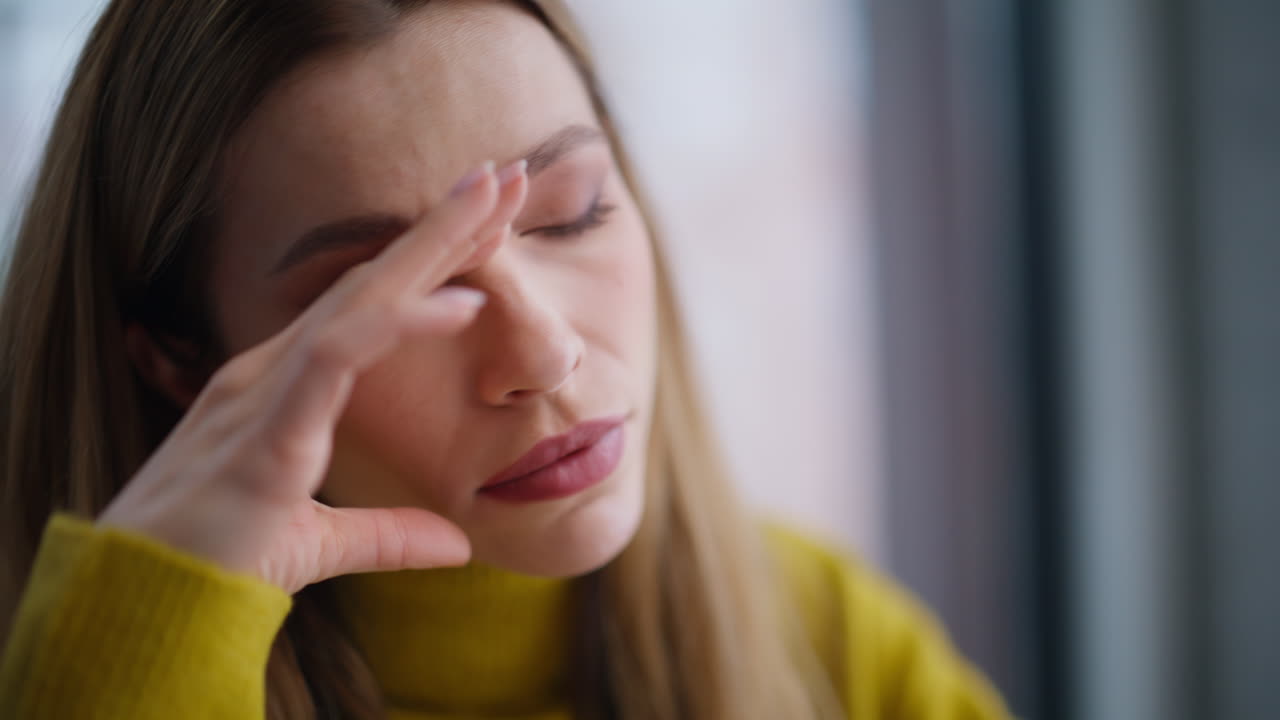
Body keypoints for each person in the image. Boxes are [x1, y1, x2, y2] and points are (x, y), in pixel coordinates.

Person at [0, 1, 1011, 718]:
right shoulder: (69, 681)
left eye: (573, 215)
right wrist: (137, 649)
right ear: (181, 363)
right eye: (393, 289)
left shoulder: (837, 647)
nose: (543, 352)